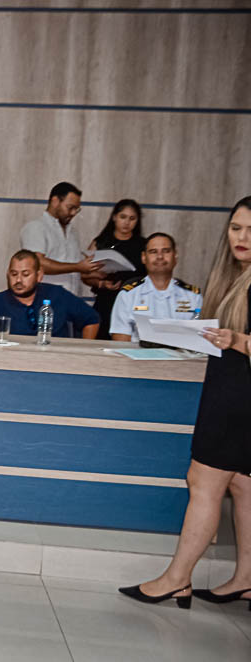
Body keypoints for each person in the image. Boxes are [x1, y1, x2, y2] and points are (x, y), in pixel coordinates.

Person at [119, 197, 251, 610]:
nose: (241, 238)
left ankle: (177, 580)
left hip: (238, 400)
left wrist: (239, 341)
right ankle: (246, 578)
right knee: (242, 486)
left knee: (203, 481)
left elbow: (242, 341)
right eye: (235, 228)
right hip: (230, 389)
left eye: (250, 229)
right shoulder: (235, 277)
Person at [0, 250, 100, 339]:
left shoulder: (57, 295)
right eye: (14, 274)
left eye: (25, 274)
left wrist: (82, 351)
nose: (18, 280)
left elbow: (92, 319)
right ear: (7, 274)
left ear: (39, 275)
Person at [109, 233, 202, 342]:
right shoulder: (128, 295)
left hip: (182, 357)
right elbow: (120, 339)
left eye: (166, 251)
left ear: (175, 256)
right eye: (153, 252)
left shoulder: (193, 296)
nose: (160, 257)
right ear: (144, 258)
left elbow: (201, 336)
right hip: (140, 357)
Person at [20, 182, 102, 297]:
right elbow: (38, 263)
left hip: (72, 300)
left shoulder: (73, 232)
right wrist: (77, 267)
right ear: (55, 201)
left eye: (77, 209)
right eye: (70, 207)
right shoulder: (36, 227)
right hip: (46, 301)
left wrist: (98, 275)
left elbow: (76, 268)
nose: (73, 213)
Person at [83, 199, 146, 339]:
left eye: (132, 218)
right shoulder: (101, 242)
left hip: (134, 304)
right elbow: (84, 275)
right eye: (123, 217)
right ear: (114, 217)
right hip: (106, 301)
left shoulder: (143, 245)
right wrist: (101, 283)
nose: (127, 222)